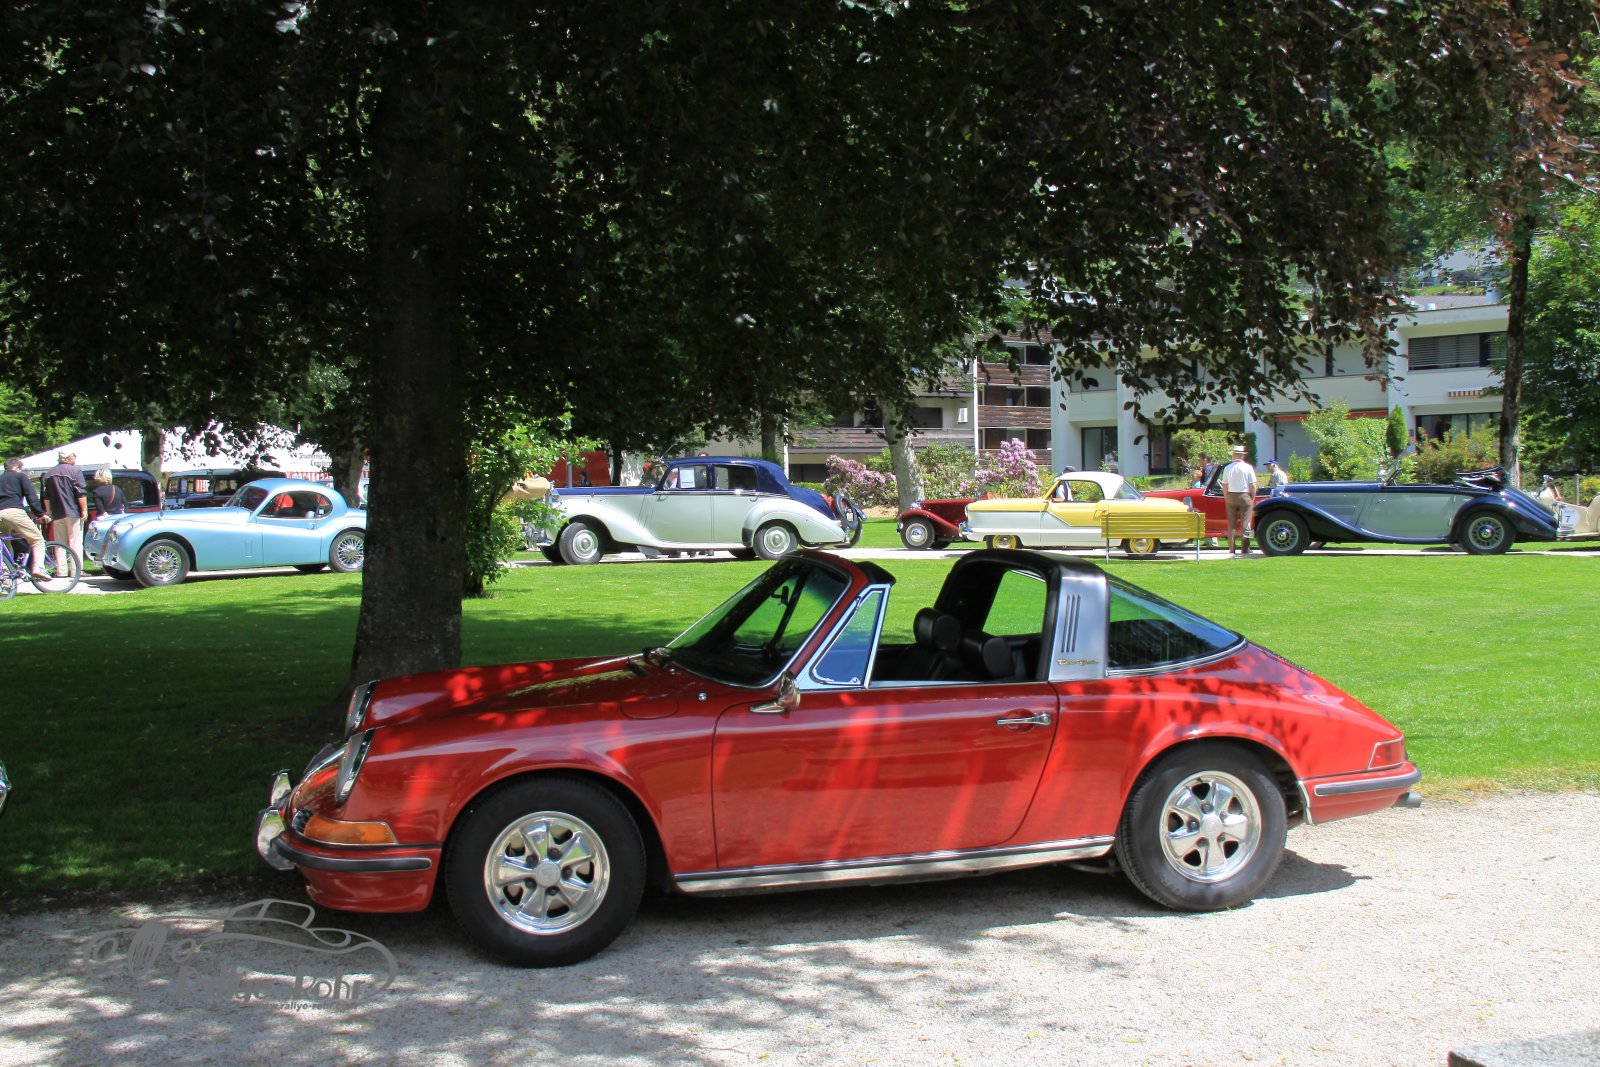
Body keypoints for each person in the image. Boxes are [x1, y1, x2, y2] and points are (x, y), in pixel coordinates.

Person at [0, 456, 49, 578]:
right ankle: (38, 568)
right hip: (14, 511)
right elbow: (31, 496)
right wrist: (40, 514)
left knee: (5, 543)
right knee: (37, 539)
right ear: (17, 468)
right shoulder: (20, 476)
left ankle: (6, 575)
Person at [41, 450, 87, 571]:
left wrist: (48, 511)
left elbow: (46, 495)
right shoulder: (75, 471)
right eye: (74, 456)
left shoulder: (48, 474)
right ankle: (76, 570)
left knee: (59, 543)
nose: (75, 458)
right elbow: (81, 493)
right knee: (75, 542)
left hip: (57, 513)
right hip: (73, 511)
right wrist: (84, 510)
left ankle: (61, 571)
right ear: (68, 458)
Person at [1221, 444, 1258, 556]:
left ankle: (1231, 548)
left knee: (1231, 523)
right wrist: (1253, 497)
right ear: (1243, 455)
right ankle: (1245, 547)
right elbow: (1252, 485)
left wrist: (1226, 497)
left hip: (1231, 495)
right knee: (1246, 523)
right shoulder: (1248, 467)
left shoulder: (1227, 468)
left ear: (1234, 455)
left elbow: (1225, 485)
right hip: (1244, 495)